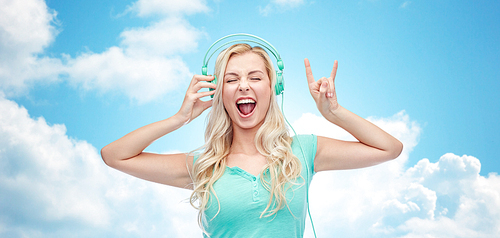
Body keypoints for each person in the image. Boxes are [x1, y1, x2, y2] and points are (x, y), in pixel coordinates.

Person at [101, 43, 403, 237]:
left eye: (255, 77)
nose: (243, 86)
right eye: (231, 80)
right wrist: (179, 118)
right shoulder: (204, 167)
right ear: (219, 93)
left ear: (273, 87)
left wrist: (334, 112)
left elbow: (389, 148)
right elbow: (114, 155)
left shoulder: (305, 150)